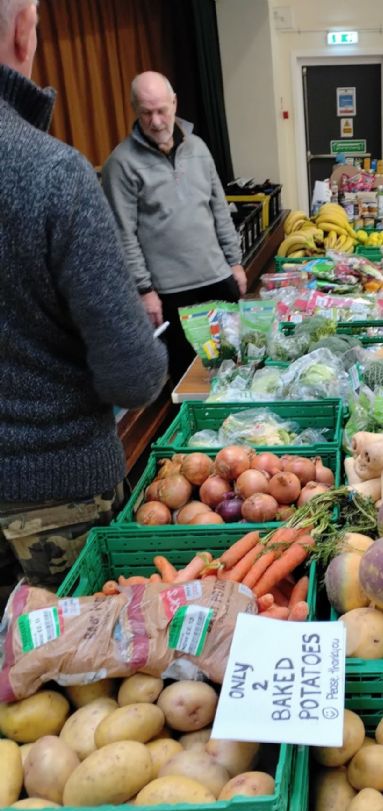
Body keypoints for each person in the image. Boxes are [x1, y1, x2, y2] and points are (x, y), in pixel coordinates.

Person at [0, 0, 168, 595]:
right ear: (25, 29)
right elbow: (132, 376)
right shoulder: (51, 172)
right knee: (70, 670)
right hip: (54, 493)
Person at [102, 71, 247, 383]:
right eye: (146, 113)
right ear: (134, 110)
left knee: (236, 368)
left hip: (218, 279)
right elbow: (122, 235)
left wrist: (235, 263)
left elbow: (219, 207)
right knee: (189, 380)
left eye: (162, 110)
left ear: (174, 103)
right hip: (171, 293)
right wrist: (144, 290)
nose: (156, 121)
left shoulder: (198, 148)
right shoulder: (121, 164)